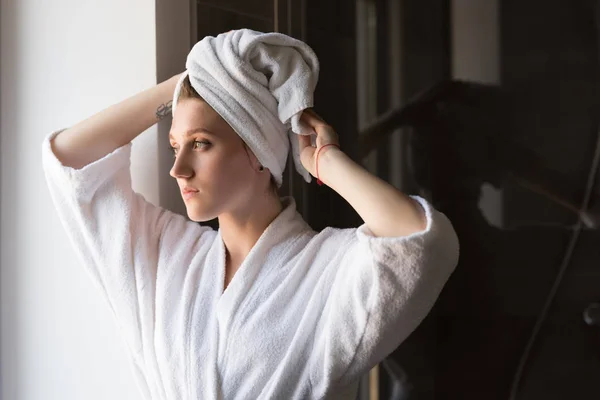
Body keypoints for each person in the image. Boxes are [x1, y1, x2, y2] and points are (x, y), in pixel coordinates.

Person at [42, 30, 459, 400]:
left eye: (201, 144)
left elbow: (421, 242)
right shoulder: (167, 256)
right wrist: (187, 83)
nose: (177, 168)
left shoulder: (325, 271)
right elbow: (71, 163)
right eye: (174, 145)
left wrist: (325, 162)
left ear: (258, 153)